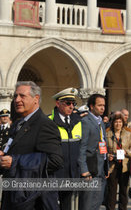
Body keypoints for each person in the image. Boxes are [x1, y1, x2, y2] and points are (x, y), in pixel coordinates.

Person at [0, 81, 63, 209]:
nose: (17, 100)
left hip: (34, 200)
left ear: (36, 99)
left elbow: (56, 161)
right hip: (14, 196)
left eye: (22, 96)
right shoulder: (17, 124)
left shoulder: (45, 124)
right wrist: (4, 157)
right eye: (15, 96)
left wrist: (16, 161)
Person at [50, 87, 83, 210]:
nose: (71, 106)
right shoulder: (49, 121)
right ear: (58, 103)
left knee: (68, 206)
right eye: (67, 103)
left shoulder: (78, 122)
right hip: (54, 174)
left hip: (72, 174)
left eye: (73, 103)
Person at [78, 94, 108, 210]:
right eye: (99, 105)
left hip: (101, 168)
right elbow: (82, 147)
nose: (102, 108)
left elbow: (102, 143)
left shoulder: (101, 122)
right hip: (91, 168)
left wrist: (106, 165)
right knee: (88, 203)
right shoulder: (86, 121)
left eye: (104, 105)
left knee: (98, 201)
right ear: (91, 106)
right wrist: (84, 170)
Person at [106, 111, 131, 210]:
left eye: (120, 122)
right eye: (116, 122)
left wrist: (126, 152)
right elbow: (102, 148)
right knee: (112, 192)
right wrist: (107, 155)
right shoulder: (107, 133)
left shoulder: (128, 133)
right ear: (112, 123)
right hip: (112, 166)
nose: (118, 124)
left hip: (124, 166)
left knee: (124, 191)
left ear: (123, 123)